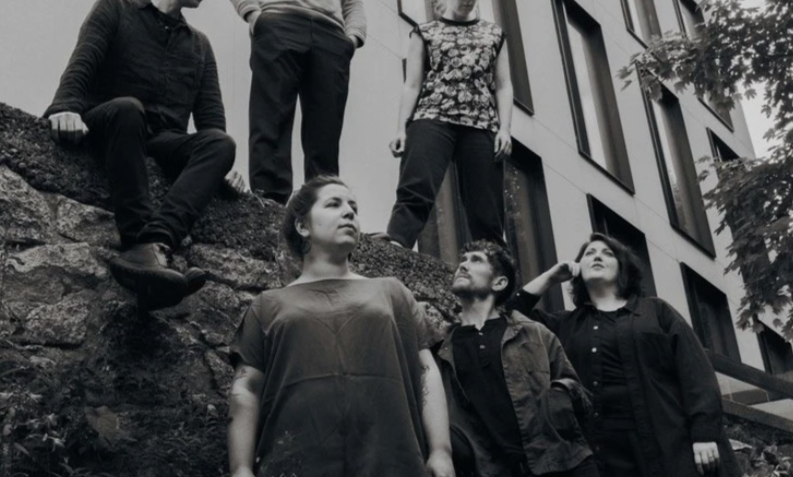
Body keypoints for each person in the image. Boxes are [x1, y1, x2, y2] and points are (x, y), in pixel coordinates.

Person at [44, 0, 243, 311]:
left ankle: (155, 244)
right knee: (128, 109)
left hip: (162, 140)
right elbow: (82, 64)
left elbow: (212, 126)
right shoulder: (116, 6)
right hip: (113, 123)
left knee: (222, 143)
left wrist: (224, 167)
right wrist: (64, 108)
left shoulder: (200, 45)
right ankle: (138, 241)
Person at [227, 176, 454, 477]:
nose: (349, 212)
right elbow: (247, 387)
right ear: (302, 226)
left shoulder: (392, 291)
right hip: (294, 465)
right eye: (334, 204)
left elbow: (425, 371)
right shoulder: (267, 305)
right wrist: (240, 468)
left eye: (354, 208)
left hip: (392, 464)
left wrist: (441, 451)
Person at [507, 233, 742, 477]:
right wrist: (550, 277)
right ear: (578, 269)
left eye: (607, 253)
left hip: (668, 442)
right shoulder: (565, 325)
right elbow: (508, 316)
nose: (597, 256)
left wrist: (704, 432)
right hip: (603, 453)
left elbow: (695, 371)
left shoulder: (656, 311)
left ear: (622, 268)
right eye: (589, 254)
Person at [226, 0, 367, 204]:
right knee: (271, 114)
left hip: (331, 38)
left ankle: (323, 201)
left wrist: (351, 40)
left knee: (325, 128)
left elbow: (354, 5)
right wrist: (255, 16)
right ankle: (270, 199)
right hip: (279, 24)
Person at [383, 0, 512, 249]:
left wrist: (505, 129)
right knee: (416, 185)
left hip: (481, 123)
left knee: (486, 205)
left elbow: (504, 86)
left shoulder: (494, 35)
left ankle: (492, 263)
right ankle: (397, 245)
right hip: (433, 116)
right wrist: (402, 128)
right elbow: (412, 85)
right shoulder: (425, 32)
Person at [438, 240, 598, 477]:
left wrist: (557, 399)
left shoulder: (534, 332)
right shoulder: (442, 347)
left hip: (562, 465)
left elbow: (578, 393)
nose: (462, 265)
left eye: (476, 260)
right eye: (462, 260)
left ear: (499, 283)